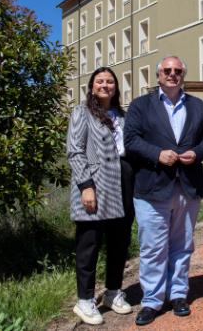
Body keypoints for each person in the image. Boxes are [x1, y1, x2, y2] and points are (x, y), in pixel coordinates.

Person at [124, 55, 203, 326]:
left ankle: (178, 294)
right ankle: (152, 299)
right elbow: (131, 139)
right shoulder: (141, 106)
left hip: (187, 186)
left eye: (177, 70)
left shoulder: (199, 106)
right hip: (152, 188)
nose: (172, 74)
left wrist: (196, 153)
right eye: (167, 70)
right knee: (153, 248)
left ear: (183, 75)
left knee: (183, 245)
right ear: (158, 75)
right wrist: (157, 154)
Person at [66, 67, 135, 325]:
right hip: (94, 183)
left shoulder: (122, 115)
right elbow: (75, 151)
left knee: (119, 242)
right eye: (100, 81)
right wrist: (86, 185)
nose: (105, 85)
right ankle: (84, 300)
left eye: (109, 81)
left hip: (122, 182)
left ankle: (113, 292)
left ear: (115, 87)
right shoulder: (81, 113)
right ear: (92, 86)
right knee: (89, 244)